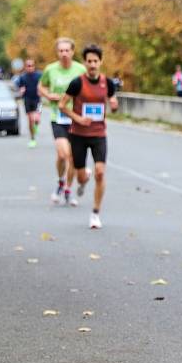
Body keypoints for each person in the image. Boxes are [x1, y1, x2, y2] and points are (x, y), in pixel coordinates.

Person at [58, 44, 118, 229]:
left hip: (99, 134)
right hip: (78, 135)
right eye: (89, 61)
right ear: (84, 63)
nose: (92, 65)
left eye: (96, 61)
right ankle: (83, 180)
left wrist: (114, 104)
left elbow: (112, 101)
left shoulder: (107, 83)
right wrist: (78, 118)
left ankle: (95, 213)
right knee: (82, 176)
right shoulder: (77, 83)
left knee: (100, 173)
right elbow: (62, 105)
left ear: (101, 62)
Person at [38, 37, 87, 206]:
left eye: (67, 50)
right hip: (57, 117)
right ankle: (60, 180)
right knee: (62, 154)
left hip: (75, 117)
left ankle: (67, 188)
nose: (64, 53)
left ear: (73, 52)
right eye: (61, 51)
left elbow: (88, 87)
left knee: (73, 157)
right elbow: (41, 86)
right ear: (57, 52)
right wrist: (48, 95)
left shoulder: (81, 69)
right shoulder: (51, 70)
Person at [16, 59, 43, 148]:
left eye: (31, 65)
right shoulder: (23, 77)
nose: (30, 67)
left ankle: (36, 125)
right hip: (27, 99)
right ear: (25, 67)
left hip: (37, 99)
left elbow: (44, 85)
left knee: (36, 119)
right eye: (28, 66)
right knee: (31, 120)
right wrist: (21, 91)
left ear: (34, 66)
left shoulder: (39, 75)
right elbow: (20, 88)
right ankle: (32, 139)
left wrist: (41, 91)